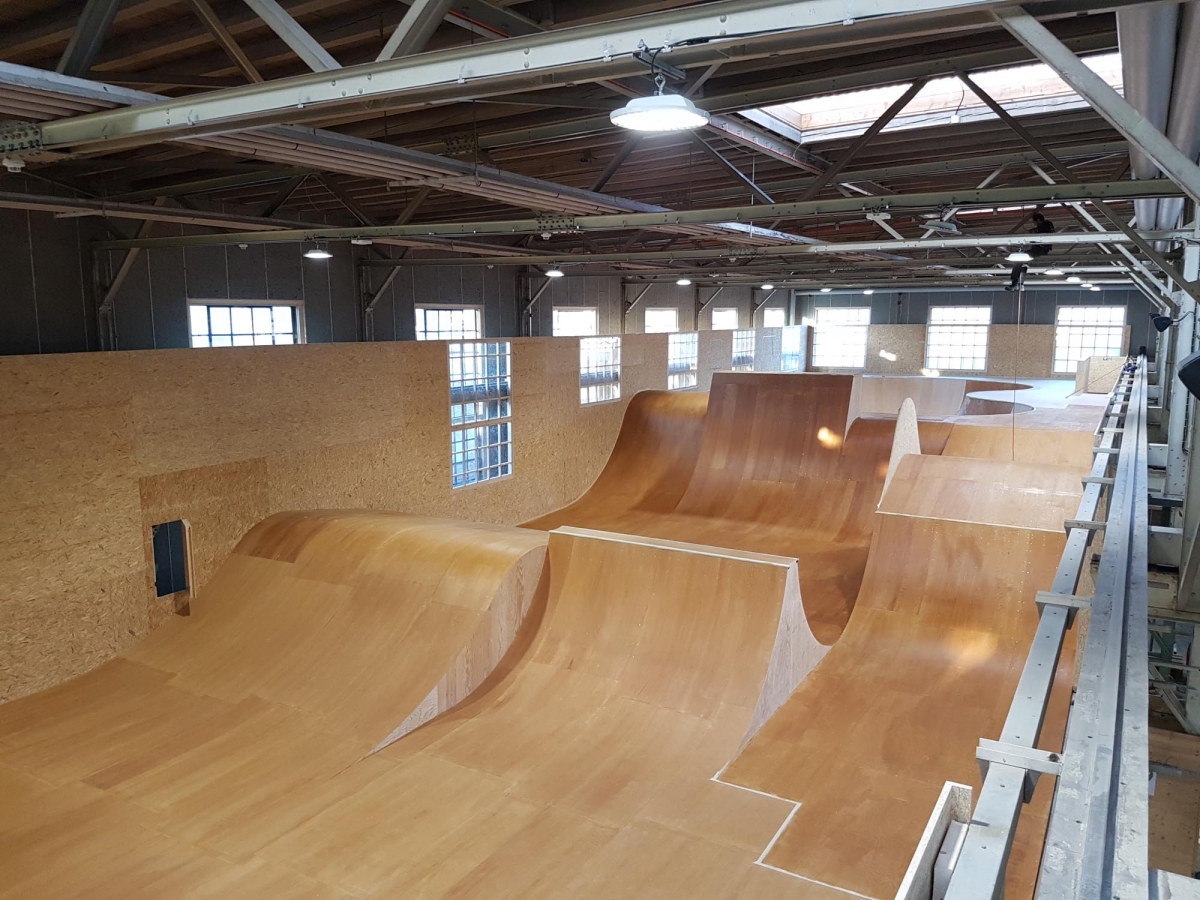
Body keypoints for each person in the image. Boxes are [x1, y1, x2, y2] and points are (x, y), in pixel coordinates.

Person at [1007, 212, 1055, 291]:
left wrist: (1035, 231)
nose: (1034, 224)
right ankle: (1018, 282)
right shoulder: (1048, 225)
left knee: (1019, 260)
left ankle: (1015, 282)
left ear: (1039, 220)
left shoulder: (1045, 226)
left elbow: (1043, 232)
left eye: (1034, 222)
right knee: (1022, 263)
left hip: (1040, 249)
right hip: (1042, 249)